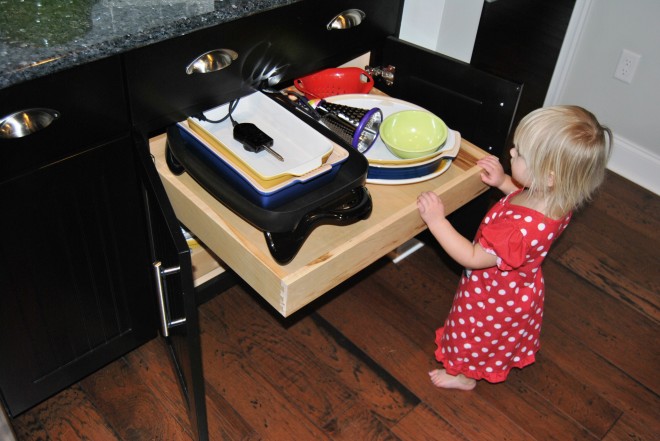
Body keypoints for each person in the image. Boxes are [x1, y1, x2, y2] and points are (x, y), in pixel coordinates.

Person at [416, 105, 612, 390]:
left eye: (520, 153)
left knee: (473, 335)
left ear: (549, 176)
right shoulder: (557, 199)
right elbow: (523, 198)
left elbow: (470, 256)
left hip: (491, 296)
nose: (511, 152)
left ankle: (465, 377)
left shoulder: (518, 231)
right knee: (490, 338)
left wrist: (436, 221)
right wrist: (504, 182)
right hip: (517, 289)